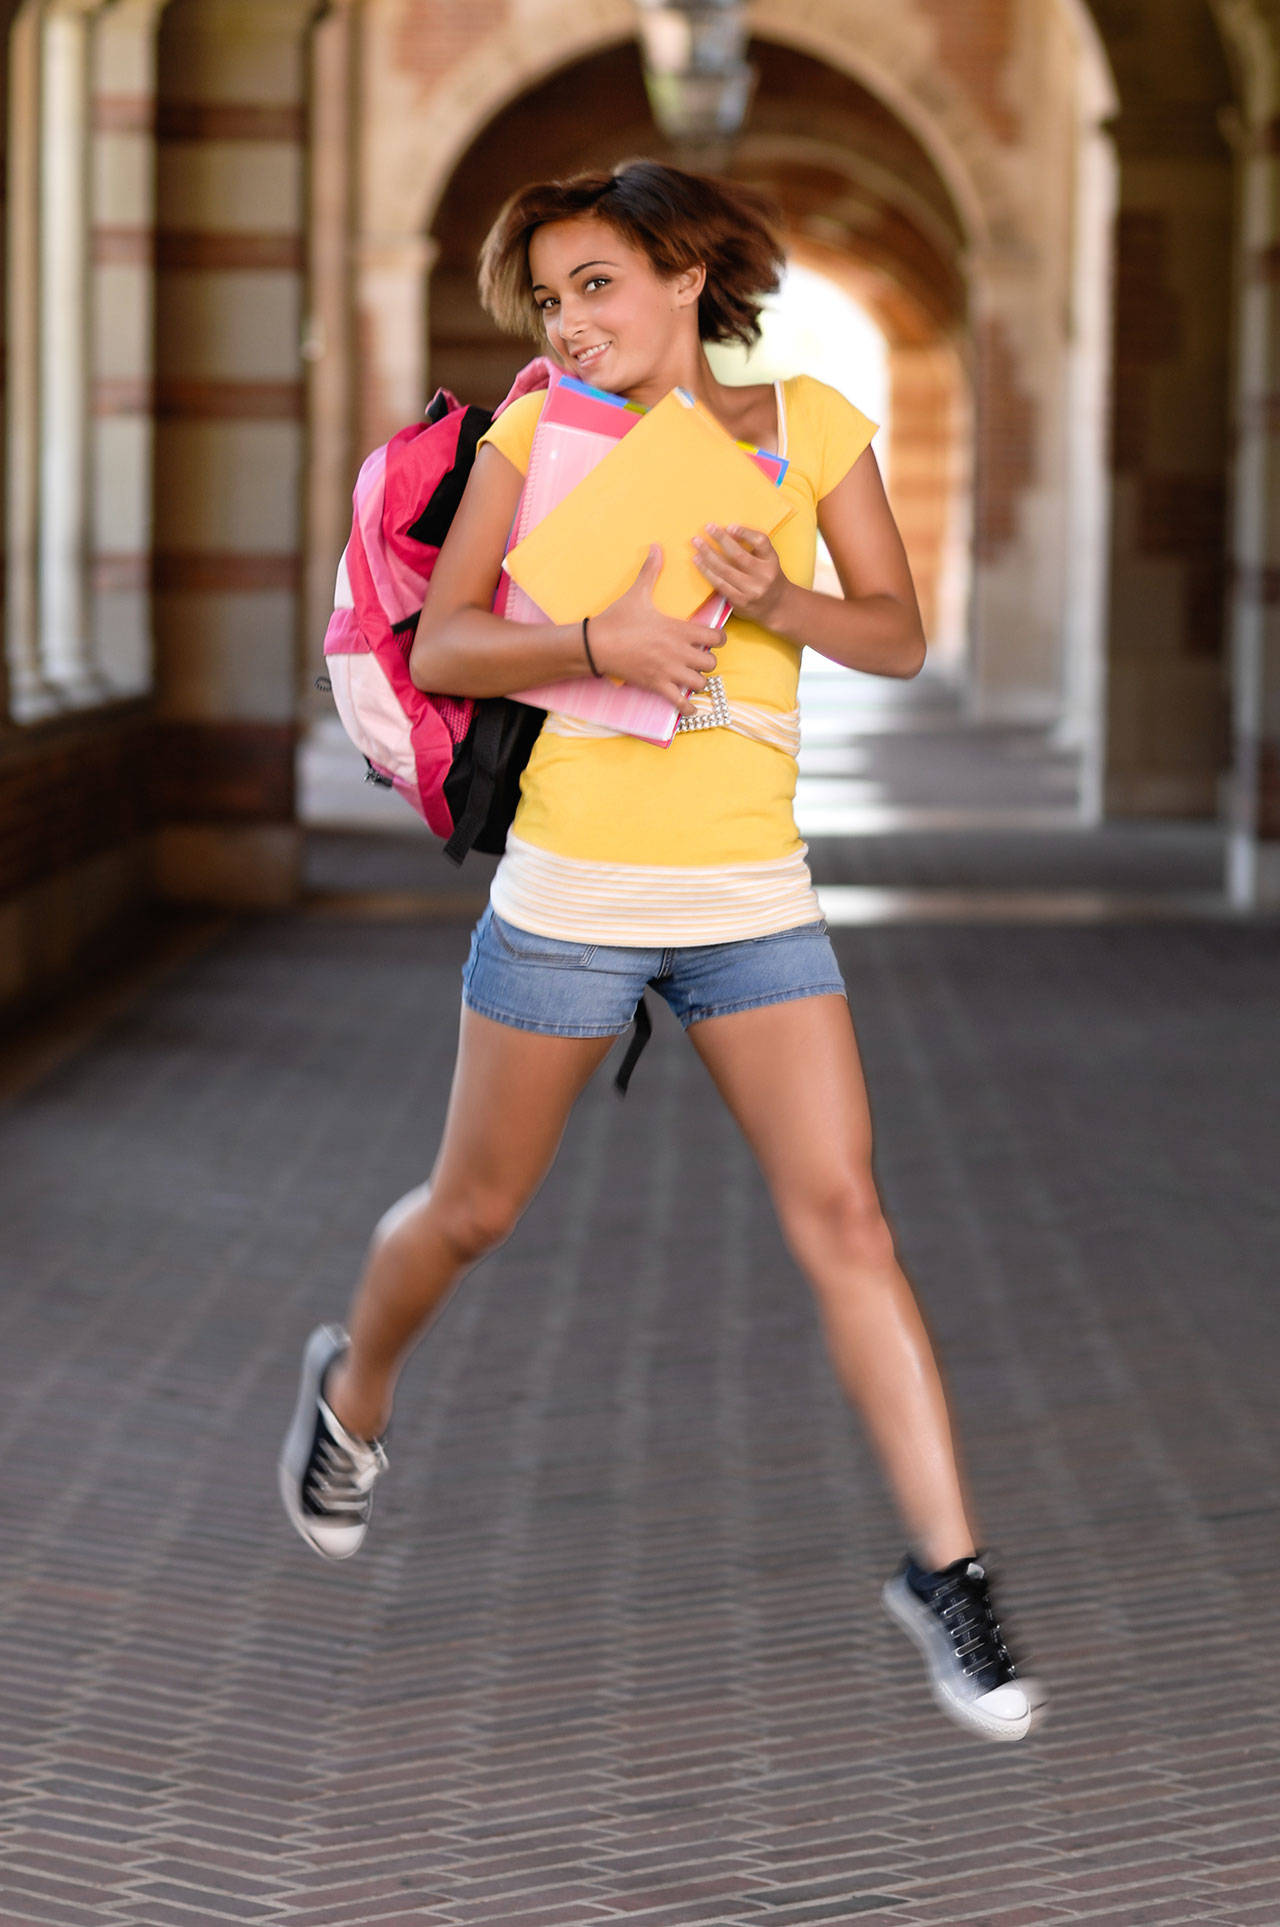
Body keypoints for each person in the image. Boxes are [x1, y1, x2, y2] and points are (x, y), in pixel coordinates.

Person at [280, 161, 1046, 1743]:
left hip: (755, 893)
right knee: (473, 1210)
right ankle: (354, 1393)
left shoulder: (808, 424)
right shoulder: (529, 433)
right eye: (550, 301)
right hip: (571, 892)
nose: (569, 324)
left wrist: (790, 602)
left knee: (849, 1220)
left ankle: (949, 1569)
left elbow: (897, 632)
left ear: (688, 276)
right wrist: (598, 643)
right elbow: (443, 644)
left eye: (595, 287)